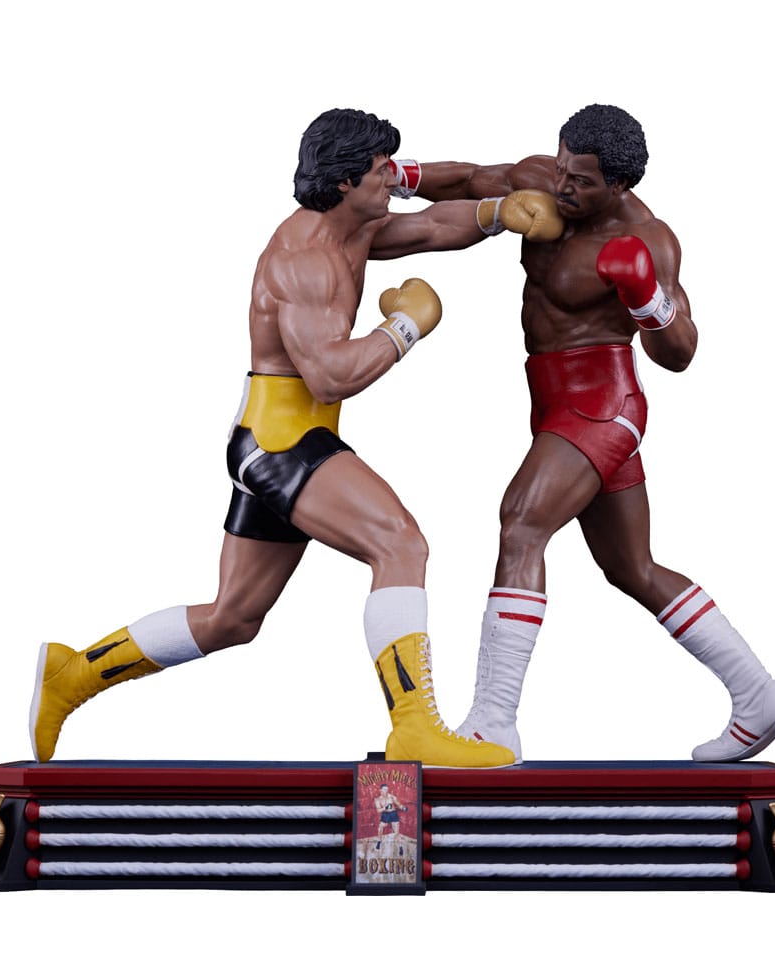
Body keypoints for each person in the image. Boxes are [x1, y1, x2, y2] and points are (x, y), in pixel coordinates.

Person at [29, 108, 560, 768]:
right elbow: (331, 375)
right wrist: (405, 327)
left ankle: (73, 674)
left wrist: (499, 214)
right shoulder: (305, 261)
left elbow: (427, 226)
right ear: (342, 183)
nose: (394, 180)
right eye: (379, 172)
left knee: (232, 618)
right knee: (400, 544)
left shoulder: (349, 228)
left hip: (277, 437)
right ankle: (415, 728)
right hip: (282, 443)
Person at [388, 104, 775, 763]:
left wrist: (645, 297)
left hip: (602, 404)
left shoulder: (647, 239)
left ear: (618, 185)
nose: (563, 187)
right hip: (553, 401)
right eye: (562, 168)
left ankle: (493, 722)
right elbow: (467, 179)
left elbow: (680, 353)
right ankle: (758, 694)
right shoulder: (541, 179)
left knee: (522, 522)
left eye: (581, 181)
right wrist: (399, 176)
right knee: (631, 568)